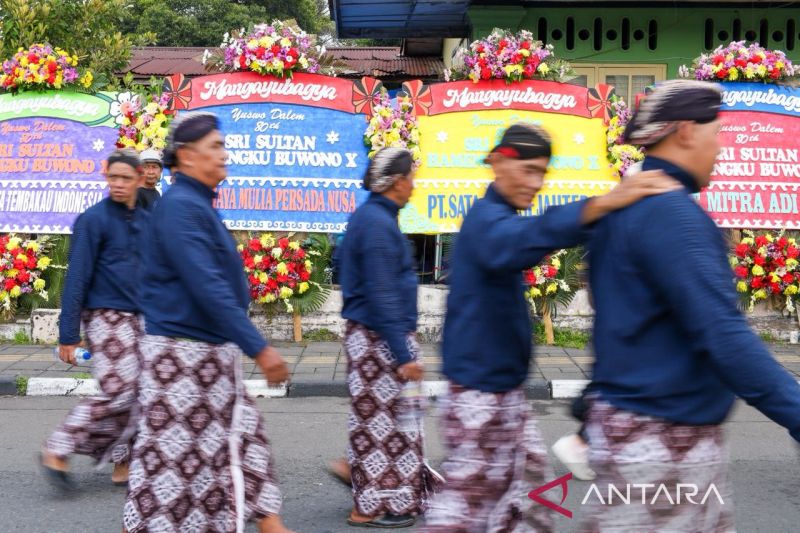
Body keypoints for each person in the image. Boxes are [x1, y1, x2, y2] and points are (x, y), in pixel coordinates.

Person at [418, 123, 680, 532]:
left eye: (541, 172)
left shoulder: (500, 218)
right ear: (499, 163)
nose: (536, 183)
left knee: (529, 501)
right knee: (463, 512)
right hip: (477, 398)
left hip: (504, 393)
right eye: (528, 170)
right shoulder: (486, 221)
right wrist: (605, 203)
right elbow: (528, 236)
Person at [582, 79, 800, 532]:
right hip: (664, 443)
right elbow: (723, 335)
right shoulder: (675, 216)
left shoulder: (621, 208)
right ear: (685, 131)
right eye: (715, 133)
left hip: (626, 431)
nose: (719, 148)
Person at [123, 112, 293, 533]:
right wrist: (259, 347)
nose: (223, 154)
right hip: (181, 362)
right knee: (167, 471)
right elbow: (207, 286)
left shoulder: (196, 204)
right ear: (187, 156)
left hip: (210, 358)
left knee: (245, 444)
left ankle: (271, 525)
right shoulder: (181, 208)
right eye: (215, 146)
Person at [41, 149, 149, 488]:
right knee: (119, 391)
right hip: (106, 318)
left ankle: (124, 463)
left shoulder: (146, 220)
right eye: (113, 177)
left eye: (125, 178)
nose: (118, 184)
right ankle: (58, 447)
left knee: (143, 393)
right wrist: (68, 335)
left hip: (143, 318)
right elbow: (77, 277)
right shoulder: (93, 219)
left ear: (139, 180)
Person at [334, 147, 428, 528]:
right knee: (384, 428)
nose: (414, 185)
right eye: (411, 178)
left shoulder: (372, 217)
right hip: (380, 340)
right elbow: (382, 292)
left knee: (384, 421)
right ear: (396, 182)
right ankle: (371, 505)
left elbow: (345, 266)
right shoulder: (376, 224)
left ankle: (365, 482)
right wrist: (404, 354)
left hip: (374, 336)